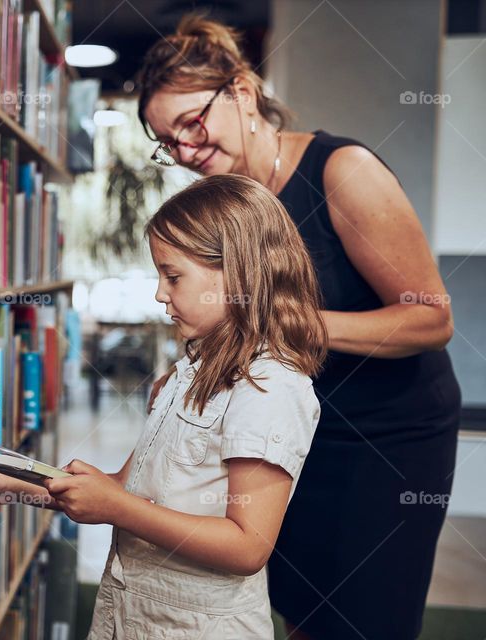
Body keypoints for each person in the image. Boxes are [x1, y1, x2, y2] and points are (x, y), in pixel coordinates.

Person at [137, 14, 461, 640]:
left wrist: (289, 323)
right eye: (167, 141)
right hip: (287, 428)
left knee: (364, 618)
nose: (184, 150)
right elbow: (231, 320)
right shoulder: (230, 203)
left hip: (385, 437)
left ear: (241, 91)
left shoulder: (343, 171)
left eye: (191, 123)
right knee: (298, 604)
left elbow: (431, 318)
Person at [0, 174, 328, 638]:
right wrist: (14, 486)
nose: (160, 293)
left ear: (239, 274)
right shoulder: (190, 371)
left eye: (173, 276)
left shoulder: (269, 386)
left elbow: (248, 545)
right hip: (131, 616)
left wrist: (117, 508)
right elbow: (125, 491)